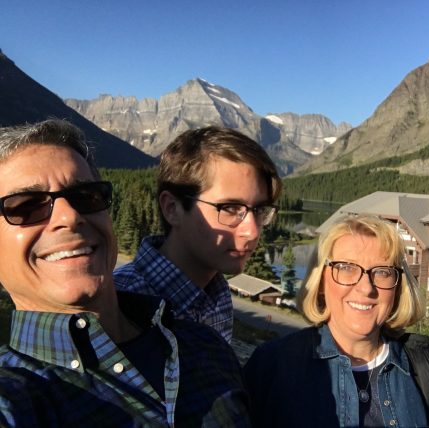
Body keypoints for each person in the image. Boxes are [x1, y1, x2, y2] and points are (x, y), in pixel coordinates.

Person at [0, 120, 250, 427]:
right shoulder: (13, 401)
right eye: (25, 207)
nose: (70, 216)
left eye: (86, 196)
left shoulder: (205, 345)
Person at [244, 214, 429, 427]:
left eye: (382, 272)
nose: (366, 288)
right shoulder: (273, 366)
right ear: (321, 280)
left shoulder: (422, 370)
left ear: (397, 288)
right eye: (347, 268)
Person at [114, 126, 282, 342]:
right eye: (230, 208)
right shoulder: (117, 304)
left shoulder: (217, 295)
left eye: (259, 210)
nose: (252, 231)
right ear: (172, 208)